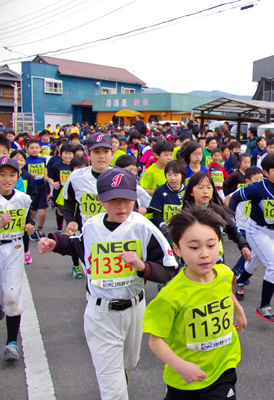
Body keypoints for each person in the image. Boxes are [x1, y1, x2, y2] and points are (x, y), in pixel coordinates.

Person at [38, 168, 178, 400]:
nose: (121, 206)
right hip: (100, 312)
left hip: (134, 309)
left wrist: (142, 267)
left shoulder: (144, 227)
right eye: (113, 200)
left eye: (126, 199)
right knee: (112, 390)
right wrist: (54, 242)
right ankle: (115, 384)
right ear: (101, 200)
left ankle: (119, 375)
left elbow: (169, 270)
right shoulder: (92, 226)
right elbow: (76, 244)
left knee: (128, 363)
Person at [144, 207, 247, 399]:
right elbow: (155, 340)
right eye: (194, 247)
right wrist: (180, 365)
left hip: (223, 367)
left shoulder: (224, 273)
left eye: (211, 245)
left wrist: (239, 311)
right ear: (177, 249)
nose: (204, 254)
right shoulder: (170, 295)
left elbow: (226, 291)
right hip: (185, 379)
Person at [229, 154, 274, 322]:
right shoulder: (257, 188)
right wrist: (231, 217)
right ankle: (264, 306)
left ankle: (239, 281)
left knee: (255, 261)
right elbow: (235, 197)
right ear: (266, 172)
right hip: (256, 230)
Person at [0, 156, 35, 361]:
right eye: (2, 174)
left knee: (13, 297)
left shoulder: (23, 199)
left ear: (18, 177)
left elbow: (27, 220)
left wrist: (29, 227)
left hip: (14, 248)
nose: (7, 179)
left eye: (12, 175)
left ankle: (11, 343)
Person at [62, 133, 113, 278]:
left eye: (105, 151)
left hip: (115, 234)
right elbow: (68, 201)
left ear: (112, 153)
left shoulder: (120, 176)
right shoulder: (76, 177)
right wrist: (70, 220)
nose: (101, 156)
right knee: (93, 275)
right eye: (96, 152)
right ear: (88, 153)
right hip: (89, 233)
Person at [24, 138, 50, 240]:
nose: (34, 150)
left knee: (42, 212)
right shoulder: (26, 160)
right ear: (27, 149)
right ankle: (31, 229)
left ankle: (40, 229)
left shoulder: (42, 159)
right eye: (32, 148)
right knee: (33, 212)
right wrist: (30, 175)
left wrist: (45, 176)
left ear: (40, 149)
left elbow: (45, 168)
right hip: (31, 187)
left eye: (36, 147)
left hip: (41, 186)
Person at [149, 160, 186, 232]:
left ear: (182, 175)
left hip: (183, 228)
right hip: (165, 229)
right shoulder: (159, 191)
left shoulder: (187, 191)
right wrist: (162, 225)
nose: (172, 178)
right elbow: (156, 213)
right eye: (169, 175)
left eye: (176, 175)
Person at [47, 144, 74, 234]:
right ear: (61, 154)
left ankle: (70, 229)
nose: (67, 156)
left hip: (72, 192)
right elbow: (49, 177)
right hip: (59, 192)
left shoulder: (75, 166)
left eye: (70, 154)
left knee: (70, 211)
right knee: (60, 211)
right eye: (65, 153)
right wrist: (53, 183)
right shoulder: (56, 166)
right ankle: (59, 228)